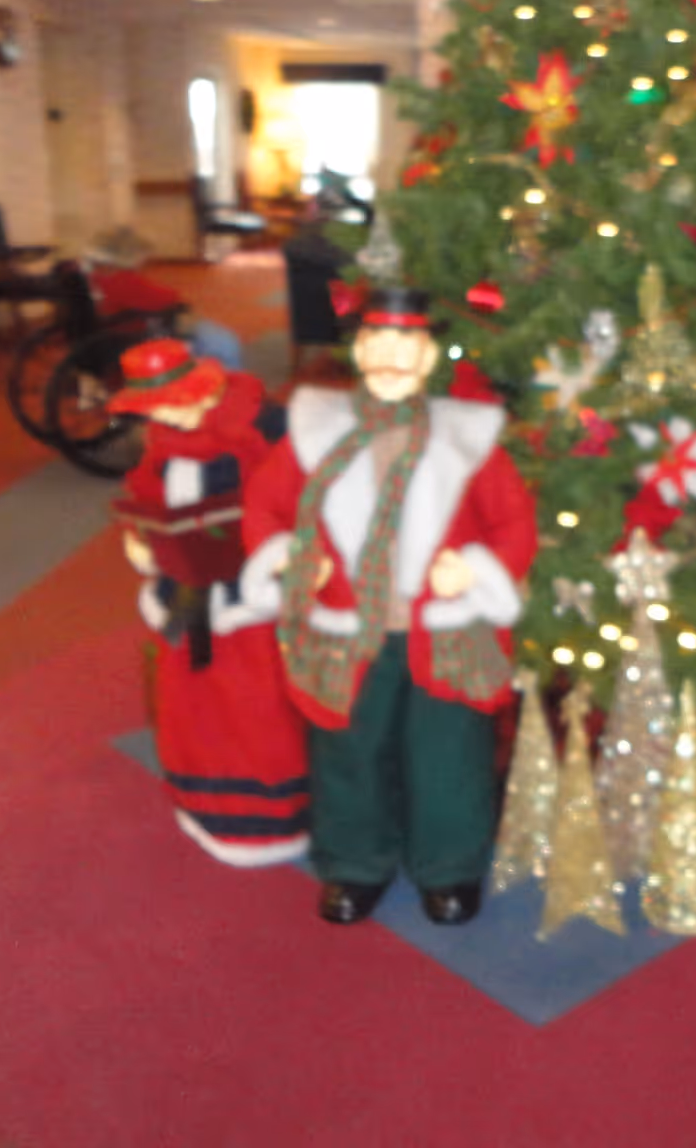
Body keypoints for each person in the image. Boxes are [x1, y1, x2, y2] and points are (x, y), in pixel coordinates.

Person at [230, 287, 537, 927]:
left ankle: (448, 870)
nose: (392, 359)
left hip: (444, 631)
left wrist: (476, 568)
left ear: (428, 360)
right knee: (347, 749)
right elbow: (264, 505)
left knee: (449, 755)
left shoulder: (469, 441)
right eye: (379, 344)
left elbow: (514, 524)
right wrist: (288, 555)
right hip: (345, 624)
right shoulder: (314, 437)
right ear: (361, 351)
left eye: (408, 347)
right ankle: (354, 864)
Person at [109, 338, 311, 867]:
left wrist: (277, 557)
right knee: (196, 713)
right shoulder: (160, 437)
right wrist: (143, 541)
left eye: (174, 401)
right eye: (154, 406)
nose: (166, 416)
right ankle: (210, 808)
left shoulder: (269, 429)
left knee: (261, 710)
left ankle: (275, 820)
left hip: (256, 603)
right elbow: (146, 497)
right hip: (186, 596)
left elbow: (307, 502)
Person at [83, 225, 244, 370]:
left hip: (109, 332)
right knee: (223, 340)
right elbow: (167, 299)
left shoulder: (95, 276)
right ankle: (227, 383)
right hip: (138, 335)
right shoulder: (121, 280)